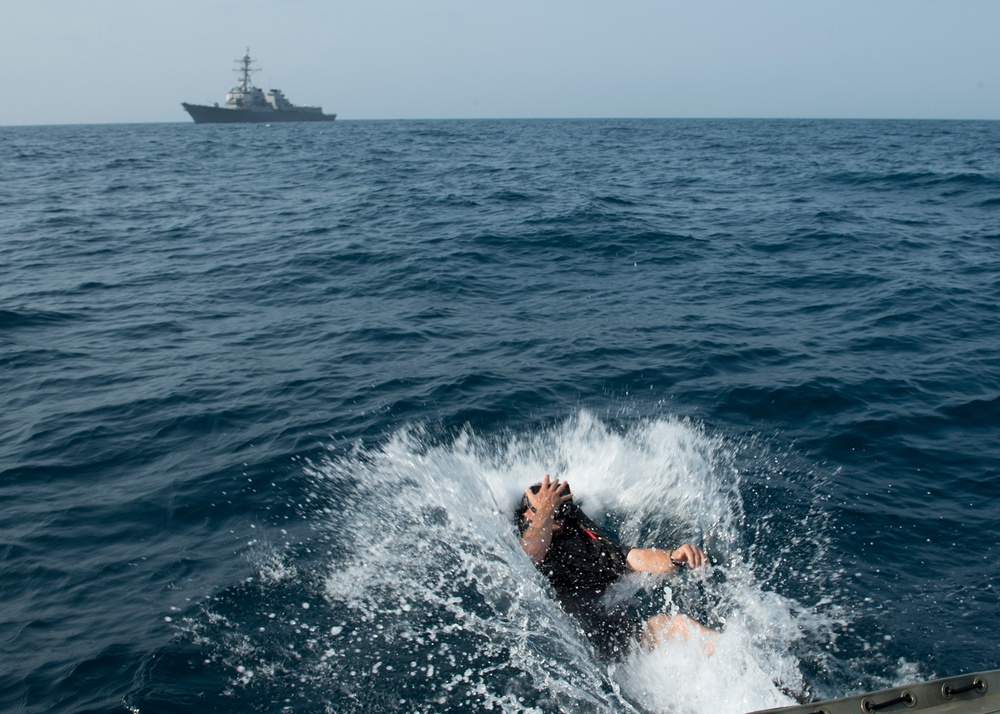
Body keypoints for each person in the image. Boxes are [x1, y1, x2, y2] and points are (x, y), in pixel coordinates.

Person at [515, 474, 714, 659]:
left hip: (620, 641)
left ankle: (734, 664)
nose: (554, 513)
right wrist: (545, 512)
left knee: (677, 626)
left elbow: (633, 558)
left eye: (558, 508)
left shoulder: (582, 539)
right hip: (582, 646)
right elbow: (529, 554)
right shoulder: (523, 539)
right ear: (526, 514)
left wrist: (673, 556)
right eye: (543, 506)